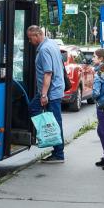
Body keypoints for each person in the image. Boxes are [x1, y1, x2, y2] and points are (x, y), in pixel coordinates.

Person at [26, 25, 66, 163]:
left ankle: (57, 151)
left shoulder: (43, 50)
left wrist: (43, 95)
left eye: (30, 38)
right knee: (54, 120)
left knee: (50, 119)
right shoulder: (52, 44)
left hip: (50, 91)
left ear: (37, 36)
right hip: (56, 89)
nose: (29, 42)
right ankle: (54, 146)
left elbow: (48, 73)